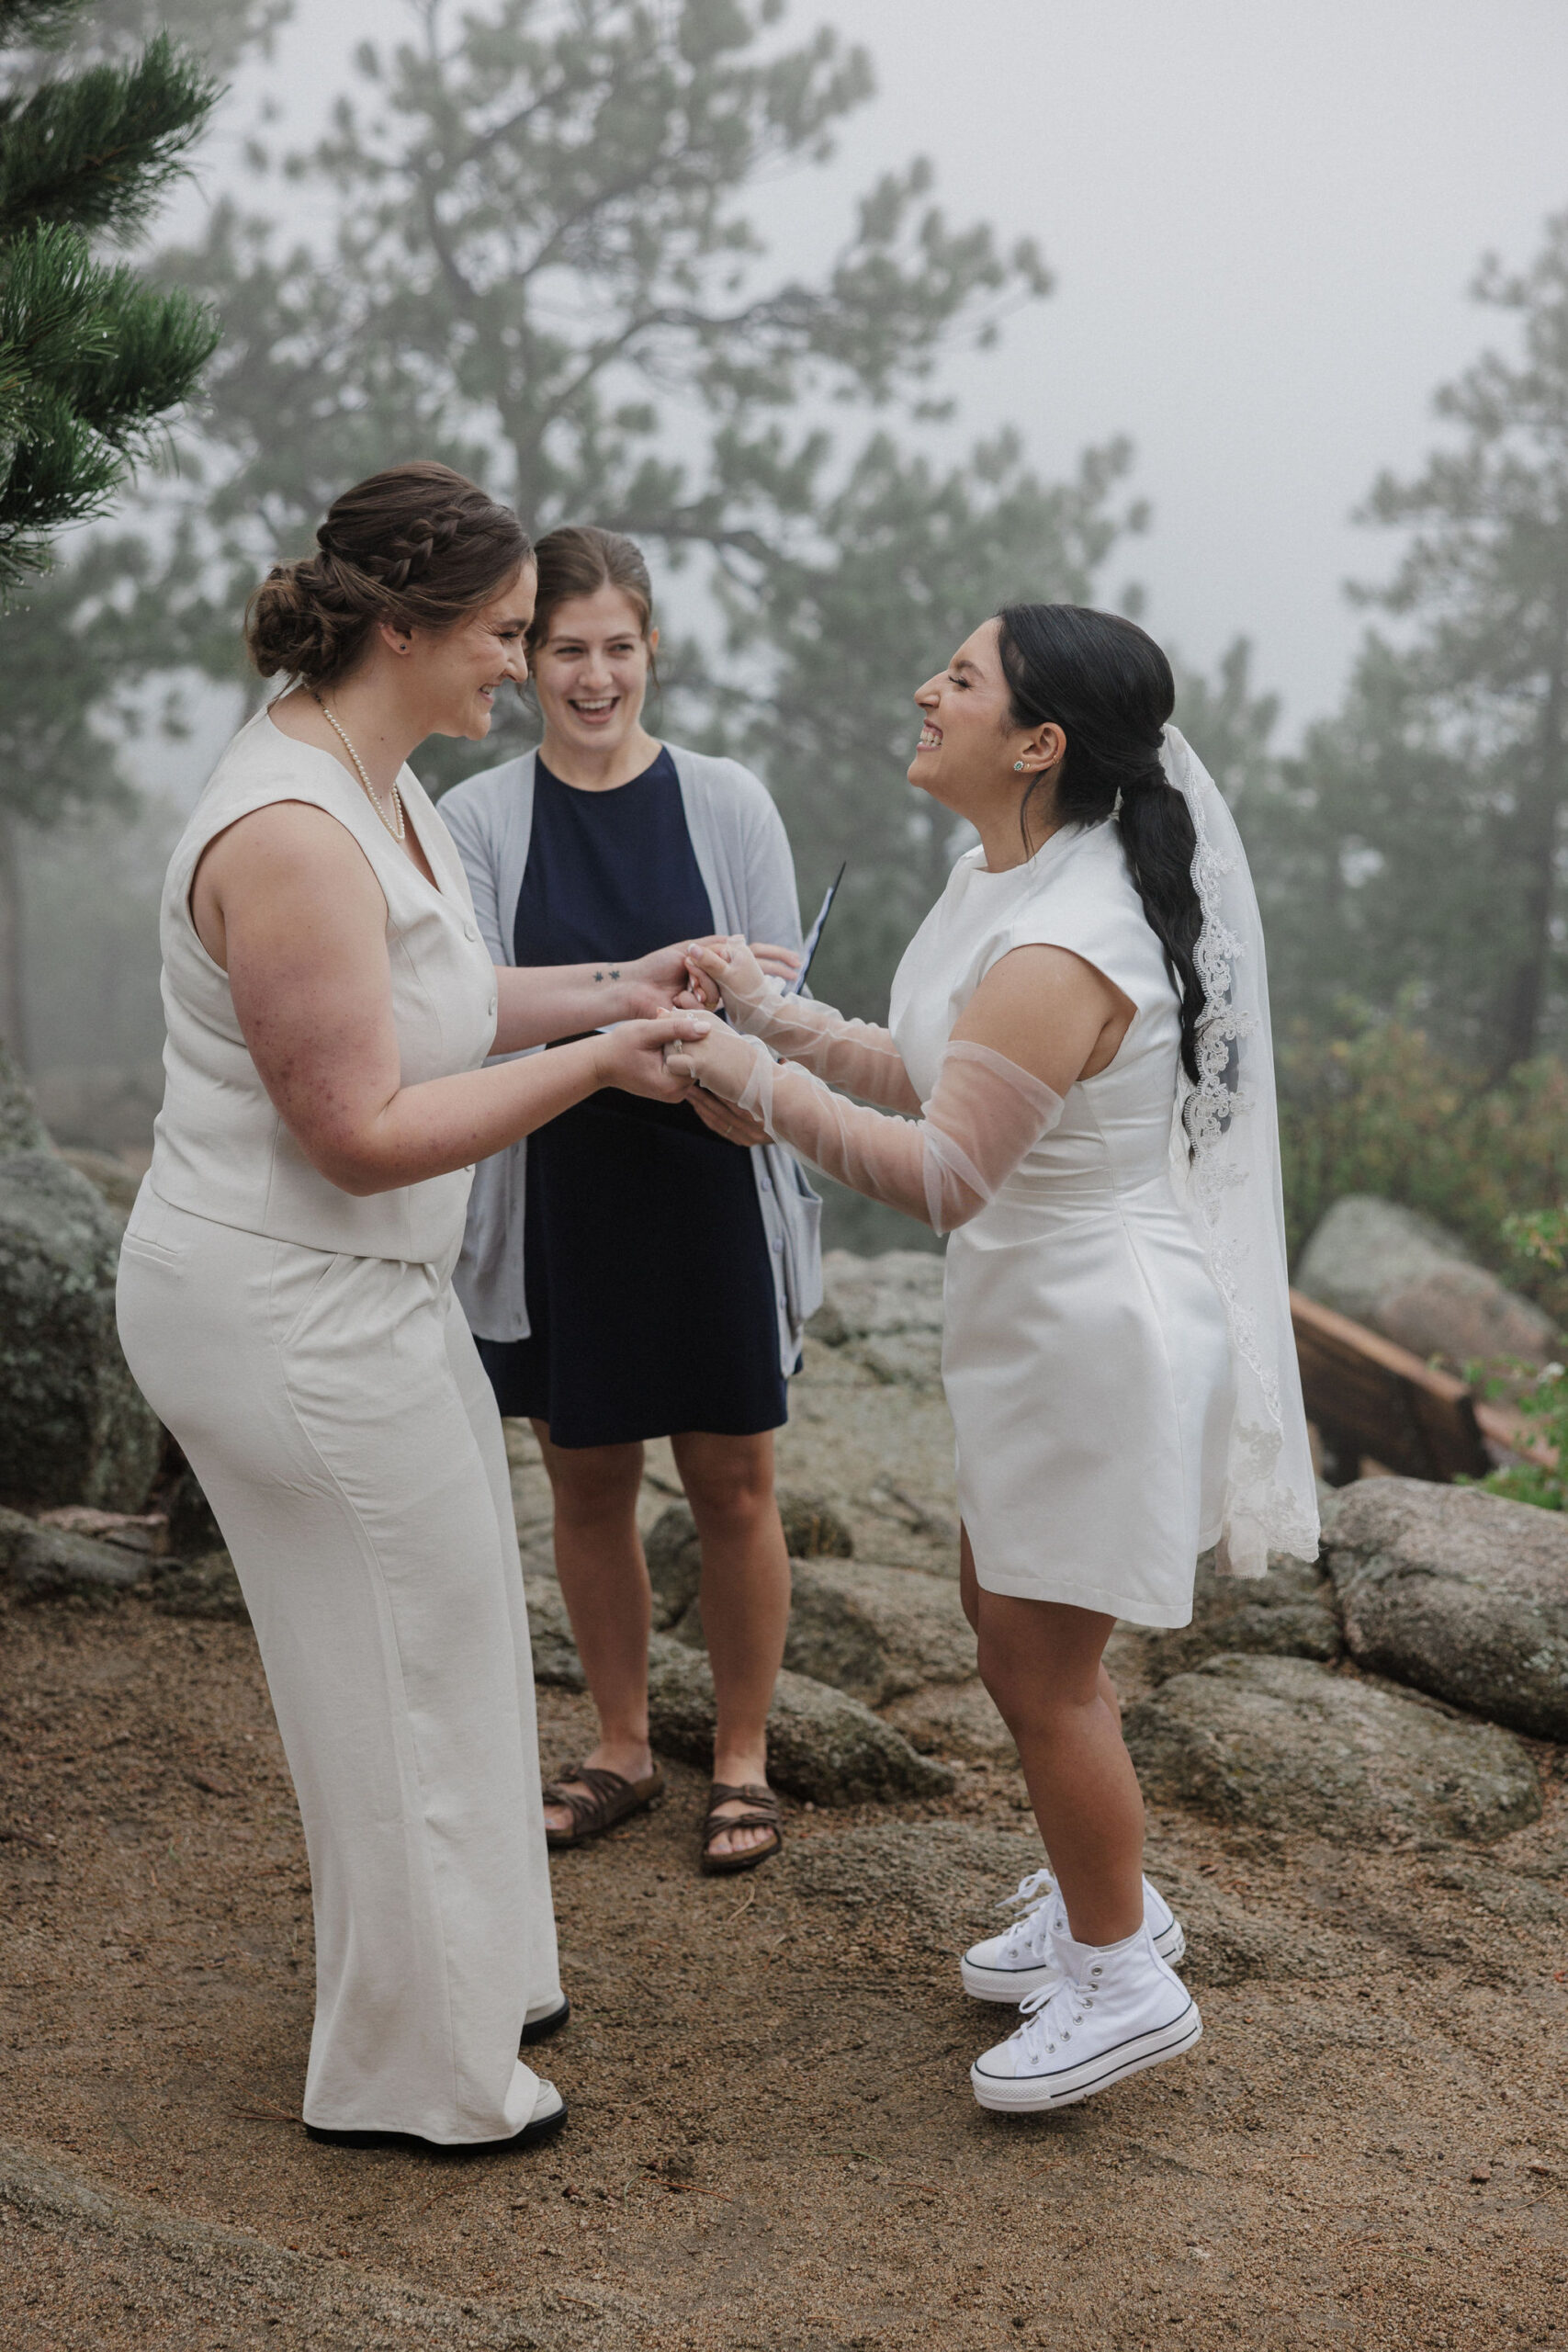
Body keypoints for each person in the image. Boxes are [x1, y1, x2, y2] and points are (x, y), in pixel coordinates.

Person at [115, 463, 710, 2152]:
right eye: (508, 636)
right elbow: (360, 1130)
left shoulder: (383, 785)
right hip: (279, 1299)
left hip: (366, 1294)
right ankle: (414, 2078)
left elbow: (437, 1001)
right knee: (393, 1661)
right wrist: (604, 1068)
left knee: (451, 1641)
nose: (523, 669)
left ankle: (480, 1980)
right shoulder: (292, 832)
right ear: (402, 626)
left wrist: (623, 981)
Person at [672, 603, 1319, 2111]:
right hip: (1034, 1312)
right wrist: (784, 1020)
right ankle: (1109, 1896)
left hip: (1096, 1321)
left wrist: (752, 1080)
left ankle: (1121, 1973)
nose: (925, 691)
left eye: (958, 680)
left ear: (1039, 742)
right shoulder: (1003, 878)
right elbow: (941, 1070)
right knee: (1000, 1613)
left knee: (1045, 1667)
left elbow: (950, 1172)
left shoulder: (1066, 938)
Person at [440, 524, 821, 1875]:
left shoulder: (727, 799)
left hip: (711, 1166)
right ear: (528, 657)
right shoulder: (477, 819)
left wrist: (739, 1052)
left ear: (652, 648)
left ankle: (742, 1759)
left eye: (617, 648)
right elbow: (471, 1018)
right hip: (558, 1184)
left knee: (735, 1478)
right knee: (585, 1476)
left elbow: (785, 1004)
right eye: (564, 651)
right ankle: (618, 1748)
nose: (593, 678)